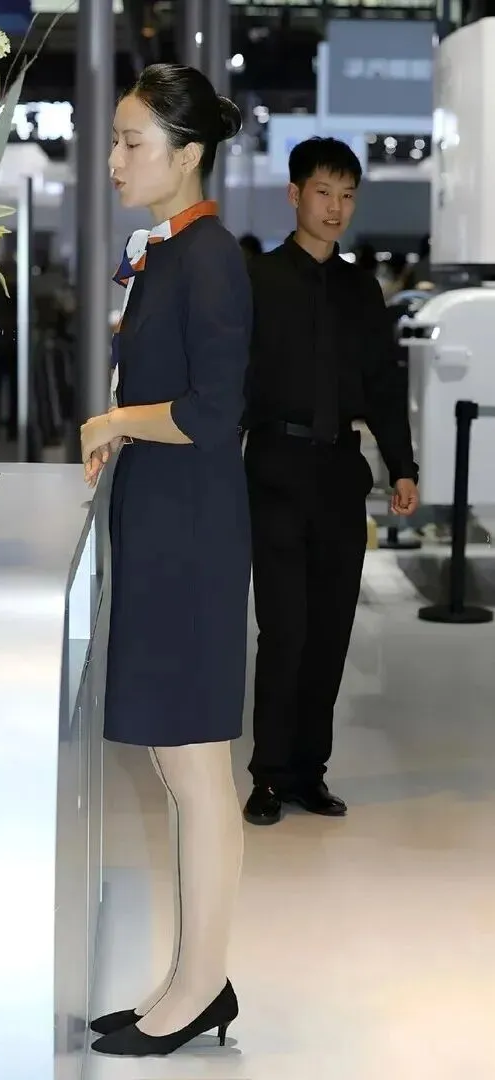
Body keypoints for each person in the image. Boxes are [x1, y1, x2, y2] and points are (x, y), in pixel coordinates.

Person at [79, 64, 251, 1056]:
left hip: (190, 537)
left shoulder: (210, 259)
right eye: (114, 139)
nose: (114, 159)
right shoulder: (171, 251)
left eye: (131, 142)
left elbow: (211, 412)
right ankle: (189, 982)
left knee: (195, 772)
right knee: (178, 766)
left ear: (186, 155)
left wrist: (115, 420)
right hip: (164, 527)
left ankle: (200, 988)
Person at [242, 137, 419, 827]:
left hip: (340, 473)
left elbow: (383, 384)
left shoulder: (360, 289)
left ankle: (308, 771)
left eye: (347, 195)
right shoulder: (258, 280)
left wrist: (402, 466)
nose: (335, 207)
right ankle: (268, 774)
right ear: (295, 195)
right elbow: (234, 378)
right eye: (323, 192)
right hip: (275, 468)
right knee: (283, 629)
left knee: (329, 632)